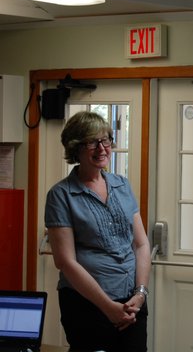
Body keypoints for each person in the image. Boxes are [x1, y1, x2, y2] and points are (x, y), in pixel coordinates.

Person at [45, 111, 151, 352]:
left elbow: (142, 244)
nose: (102, 148)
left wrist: (141, 293)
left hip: (133, 303)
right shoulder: (61, 195)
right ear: (75, 148)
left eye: (106, 140)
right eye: (92, 142)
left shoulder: (122, 185)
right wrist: (108, 307)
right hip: (87, 306)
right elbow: (65, 262)